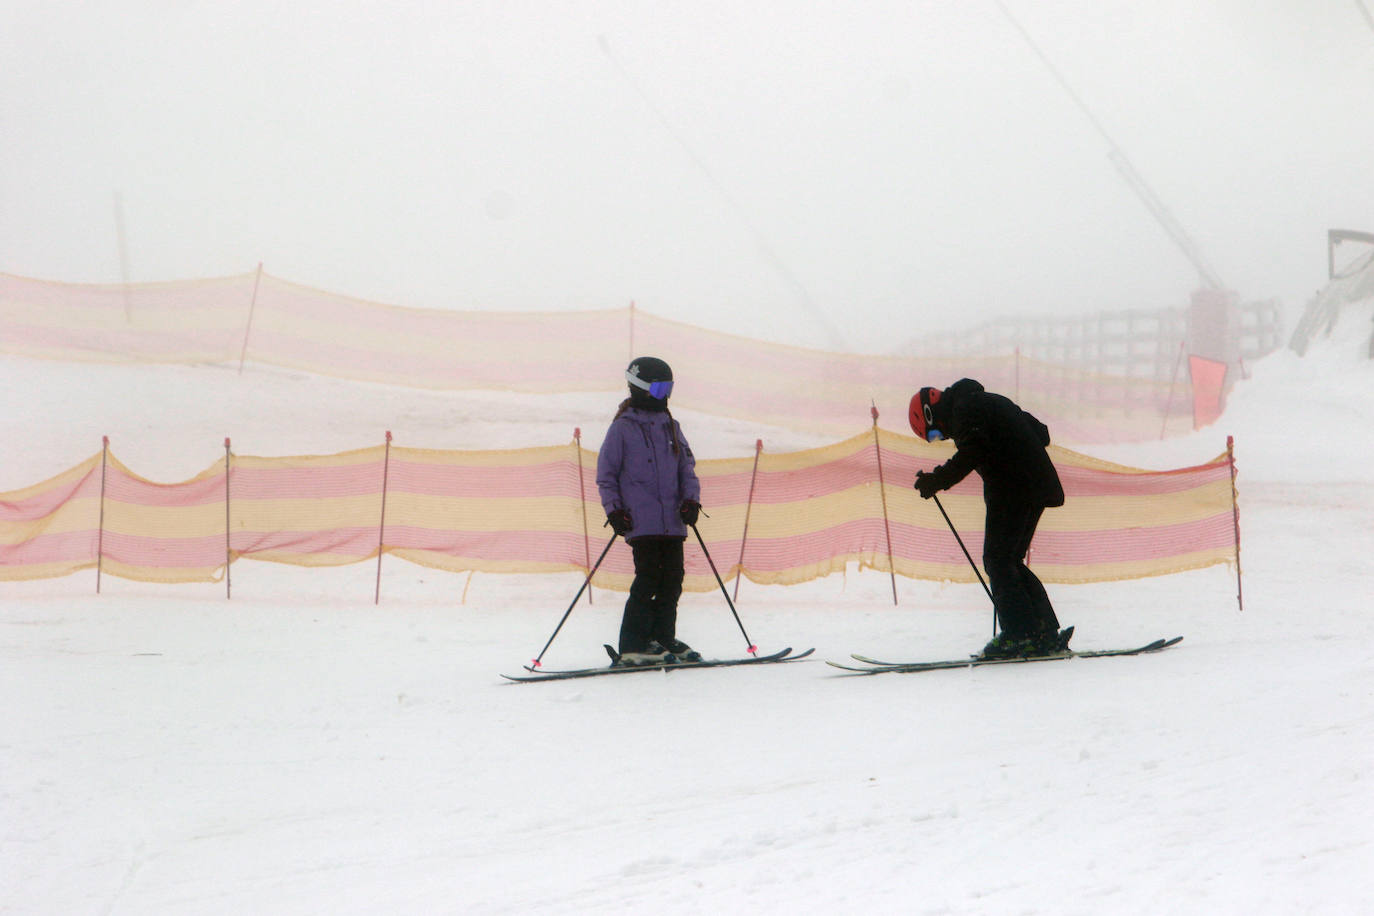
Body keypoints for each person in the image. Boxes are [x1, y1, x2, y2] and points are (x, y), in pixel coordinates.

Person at [909, 378, 1071, 659]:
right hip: (1035, 485)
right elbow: (1041, 433)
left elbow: (973, 451)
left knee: (998, 560)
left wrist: (937, 480)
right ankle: (1043, 632)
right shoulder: (985, 402)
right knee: (1008, 560)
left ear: (931, 414)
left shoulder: (966, 410)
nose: (942, 438)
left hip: (1015, 488)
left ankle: (1021, 635)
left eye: (934, 434)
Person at [597, 356, 703, 665]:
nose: (665, 395)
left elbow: (687, 467)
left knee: (672, 580)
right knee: (648, 580)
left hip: (672, 521)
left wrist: (690, 500)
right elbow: (606, 475)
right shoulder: (622, 429)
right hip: (640, 520)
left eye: (668, 388)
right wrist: (615, 510)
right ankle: (634, 642)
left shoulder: (671, 426)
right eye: (659, 389)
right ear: (641, 388)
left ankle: (661, 637)